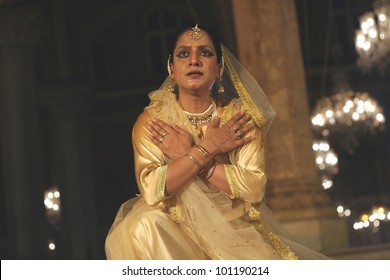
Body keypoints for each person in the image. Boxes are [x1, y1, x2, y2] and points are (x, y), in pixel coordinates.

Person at [105, 24, 329, 260]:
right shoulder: (154, 121)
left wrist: (191, 156)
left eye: (205, 53)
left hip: (233, 228)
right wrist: (208, 148)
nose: (194, 61)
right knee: (143, 225)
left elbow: (253, 187)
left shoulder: (238, 118)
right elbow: (152, 190)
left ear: (219, 68)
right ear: (171, 68)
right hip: (174, 227)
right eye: (183, 54)